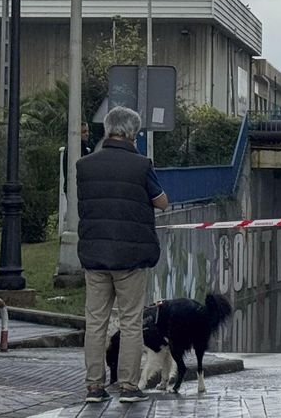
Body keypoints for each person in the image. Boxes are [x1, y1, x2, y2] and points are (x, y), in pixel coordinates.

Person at [78, 107, 168, 405]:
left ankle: (94, 387)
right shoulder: (141, 166)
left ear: (108, 129)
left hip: (95, 255)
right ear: (133, 133)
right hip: (130, 257)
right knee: (130, 321)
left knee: (95, 322)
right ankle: (129, 387)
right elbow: (161, 202)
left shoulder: (85, 165)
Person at [62, 122, 94, 192]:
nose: (87, 134)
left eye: (87, 131)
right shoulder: (73, 150)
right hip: (74, 188)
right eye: (84, 132)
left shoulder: (84, 149)